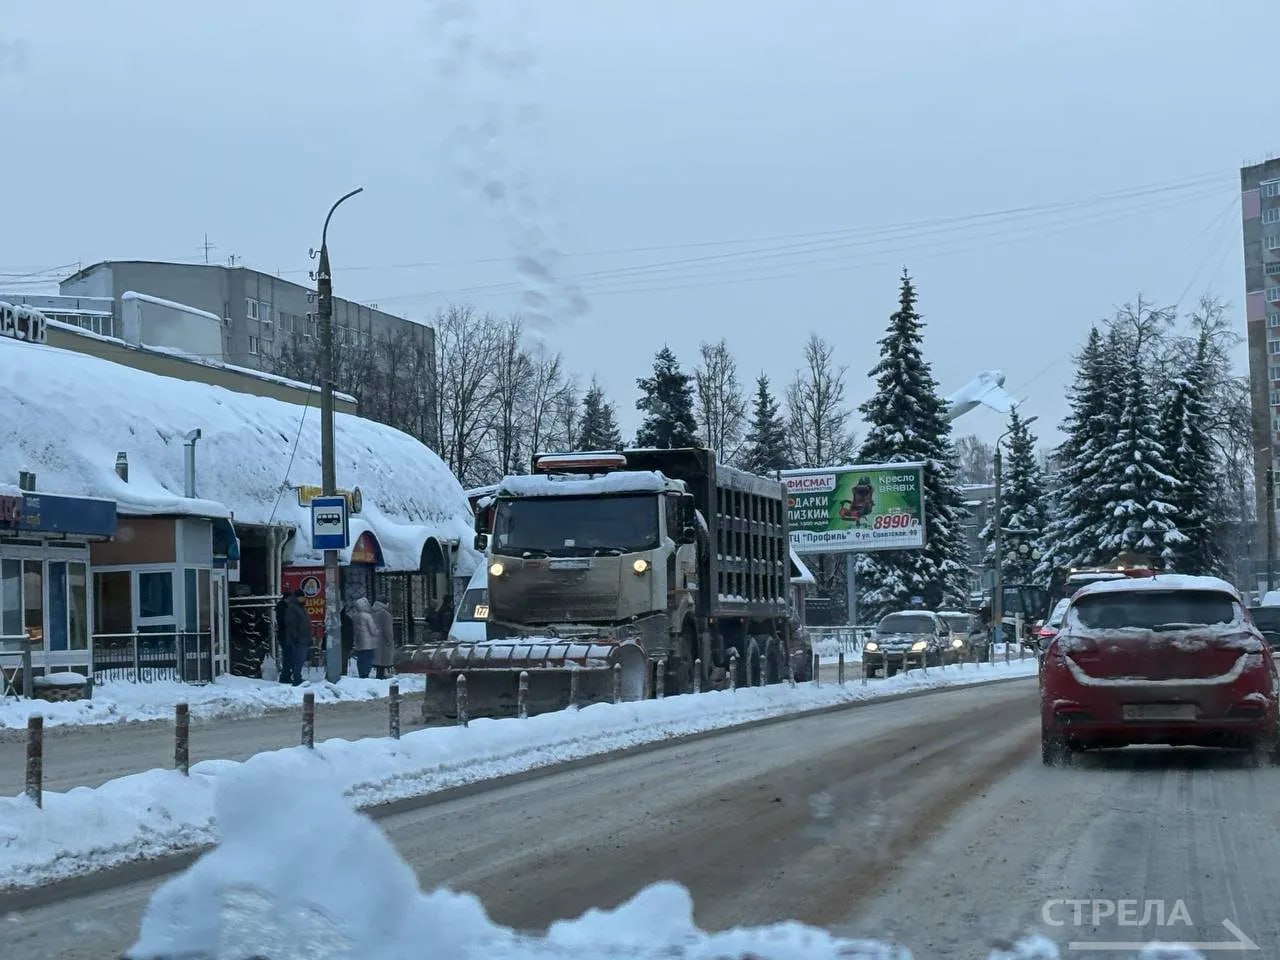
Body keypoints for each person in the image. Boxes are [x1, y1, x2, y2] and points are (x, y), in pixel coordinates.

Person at [280, 589, 312, 686]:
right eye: (302, 597)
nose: (304, 598)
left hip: (303, 637)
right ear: (298, 597)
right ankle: (296, 678)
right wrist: (295, 636)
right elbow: (291, 624)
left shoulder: (300, 607)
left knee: (300, 659)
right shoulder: (293, 608)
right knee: (298, 658)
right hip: (298, 639)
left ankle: (297, 676)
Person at [349, 596, 378, 679]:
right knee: (368, 658)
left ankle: (361, 673)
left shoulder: (355, 616)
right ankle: (366, 674)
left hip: (359, 641)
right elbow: (373, 630)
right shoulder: (368, 616)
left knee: (360, 658)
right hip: (368, 642)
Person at [371, 596, 395, 680]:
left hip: (373, 638)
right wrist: (390, 640)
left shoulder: (372, 611)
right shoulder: (385, 613)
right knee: (383, 658)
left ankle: (379, 673)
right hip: (383, 639)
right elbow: (388, 629)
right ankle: (381, 675)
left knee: (378, 658)